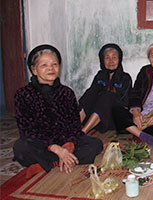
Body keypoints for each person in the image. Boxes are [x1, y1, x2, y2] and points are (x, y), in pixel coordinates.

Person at [13, 44, 103, 179]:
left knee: (95, 144)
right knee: (21, 147)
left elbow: (74, 125)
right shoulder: (23, 94)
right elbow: (27, 130)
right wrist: (55, 148)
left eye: (54, 64)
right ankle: (58, 159)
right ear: (34, 70)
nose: (50, 68)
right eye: (44, 65)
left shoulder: (66, 92)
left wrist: (69, 145)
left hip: (65, 141)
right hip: (43, 144)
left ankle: (47, 163)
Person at [79, 43, 132, 134]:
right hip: (96, 117)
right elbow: (90, 98)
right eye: (107, 57)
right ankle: (74, 126)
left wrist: (106, 97)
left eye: (114, 57)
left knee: (107, 96)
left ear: (119, 60)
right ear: (102, 60)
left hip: (115, 118)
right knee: (91, 92)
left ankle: (83, 132)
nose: (111, 61)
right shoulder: (100, 76)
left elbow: (124, 102)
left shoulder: (125, 78)